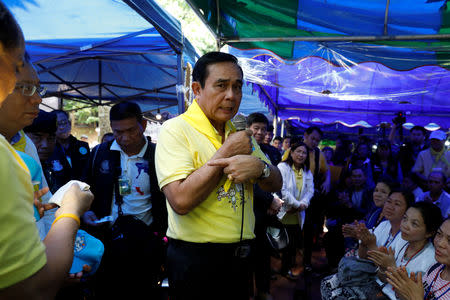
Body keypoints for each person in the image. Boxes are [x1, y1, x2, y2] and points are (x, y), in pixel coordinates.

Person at [155, 52, 282, 300]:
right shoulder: (176, 129)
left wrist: (261, 168)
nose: (231, 96)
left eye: (237, 87)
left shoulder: (239, 132)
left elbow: (275, 181)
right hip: (197, 261)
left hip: (242, 258)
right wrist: (226, 151)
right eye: (221, 85)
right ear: (197, 89)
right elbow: (180, 201)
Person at [0, 3, 93, 298]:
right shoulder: (6, 156)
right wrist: (71, 210)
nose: (37, 100)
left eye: (37, 89)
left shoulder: (19, 148)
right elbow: (33, 289)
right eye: (24, 86)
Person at [82, 102, 167, 298]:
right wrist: (86, 210)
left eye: (131, 130)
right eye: (118, 132)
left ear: (143, 125)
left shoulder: (159, 155)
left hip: (147, 242)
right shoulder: (99, 153)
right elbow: (83, 187)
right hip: (107, 242)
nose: (125, 138)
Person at [321, 189, 416, 299]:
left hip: (383, 286)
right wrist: (363, 241)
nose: (390, 206)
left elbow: (387, 274)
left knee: (339, 294)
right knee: (326, 283)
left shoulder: (406, 237)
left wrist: (371, 245)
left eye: (397, 204)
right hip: (368, 276)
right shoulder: (384, 225)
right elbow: (363, 257)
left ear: (407, 211)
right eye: (389, 202)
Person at [366, 201, 442, 299]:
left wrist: (391, 267)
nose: (405, 225)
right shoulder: (401, 239)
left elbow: (407, 297)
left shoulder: (430, 260)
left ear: (429, 233)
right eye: (405, 218)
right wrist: (383, 267)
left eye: (414, 224)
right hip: (379, 291)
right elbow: (382, 278)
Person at [246, 112, 283, 298]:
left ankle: (263, 291)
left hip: (266, 212)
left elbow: (278, 177)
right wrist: (270, 199)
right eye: (256, 128)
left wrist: (275, 200)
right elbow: (250, 182)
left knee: (264, 254)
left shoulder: (273, 152)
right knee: (247, 255)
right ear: (248, 129)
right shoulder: (243, 151)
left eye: (263, 129)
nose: (260, 132)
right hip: (248, 209)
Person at [386, 218, 450, 300]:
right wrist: (403, 291)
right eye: (439, 234)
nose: (440, 243)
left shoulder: (430, 260)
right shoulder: (436, 268)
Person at [277, 141, 314, 279]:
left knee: (291, 245)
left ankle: (286, 269)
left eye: (304, 152)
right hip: (283, 212)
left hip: (297, 215)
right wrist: (297, 204)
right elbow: (282, 189)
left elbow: (310, 191)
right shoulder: (282, 167)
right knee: (278, 244)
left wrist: (302, 204)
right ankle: (277, 269)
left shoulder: (307, 171)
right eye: (298, 151)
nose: (301, 155)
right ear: (291, 152)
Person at [302, 126, 331, 271]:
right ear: (305, 136)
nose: (315, 142)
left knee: (309, 229)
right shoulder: (294, 150)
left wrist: (327, 181)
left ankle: (306, 261)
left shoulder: (319, 154)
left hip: (311, 197)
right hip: (295, 196)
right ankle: (288, 263)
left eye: (317, 140)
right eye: (313, 138)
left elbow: (327, 172)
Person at [48, 109, 90, 190]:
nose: (62, 127)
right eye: (58, 124)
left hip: (82, 193)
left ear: (70, 124)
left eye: (64, 123)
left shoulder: (83, 146)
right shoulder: (48, 148)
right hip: (58, 195)